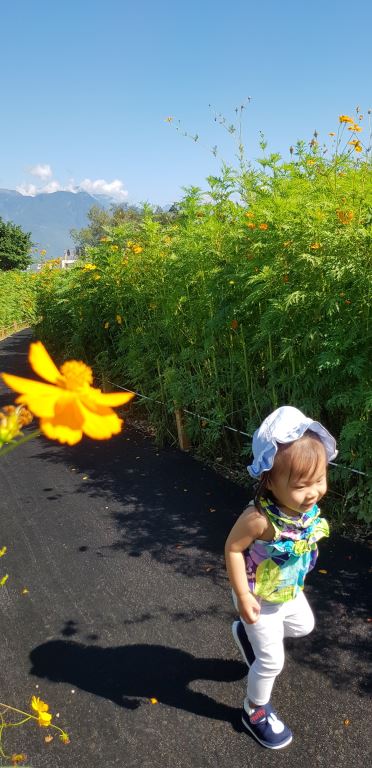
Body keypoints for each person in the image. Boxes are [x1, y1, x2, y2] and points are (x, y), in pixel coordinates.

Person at [225, 405, 337, 749]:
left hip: (287, 590)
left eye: (319, 480)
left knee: (305, 626)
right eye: (303, 485)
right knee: (272, 661)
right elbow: (232, 548)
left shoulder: (304, 508)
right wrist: (243, 597)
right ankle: (254, 710)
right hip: (258, 593)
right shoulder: (260, 519)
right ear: (270, 480)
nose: (314, 492)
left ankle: (248, 634)